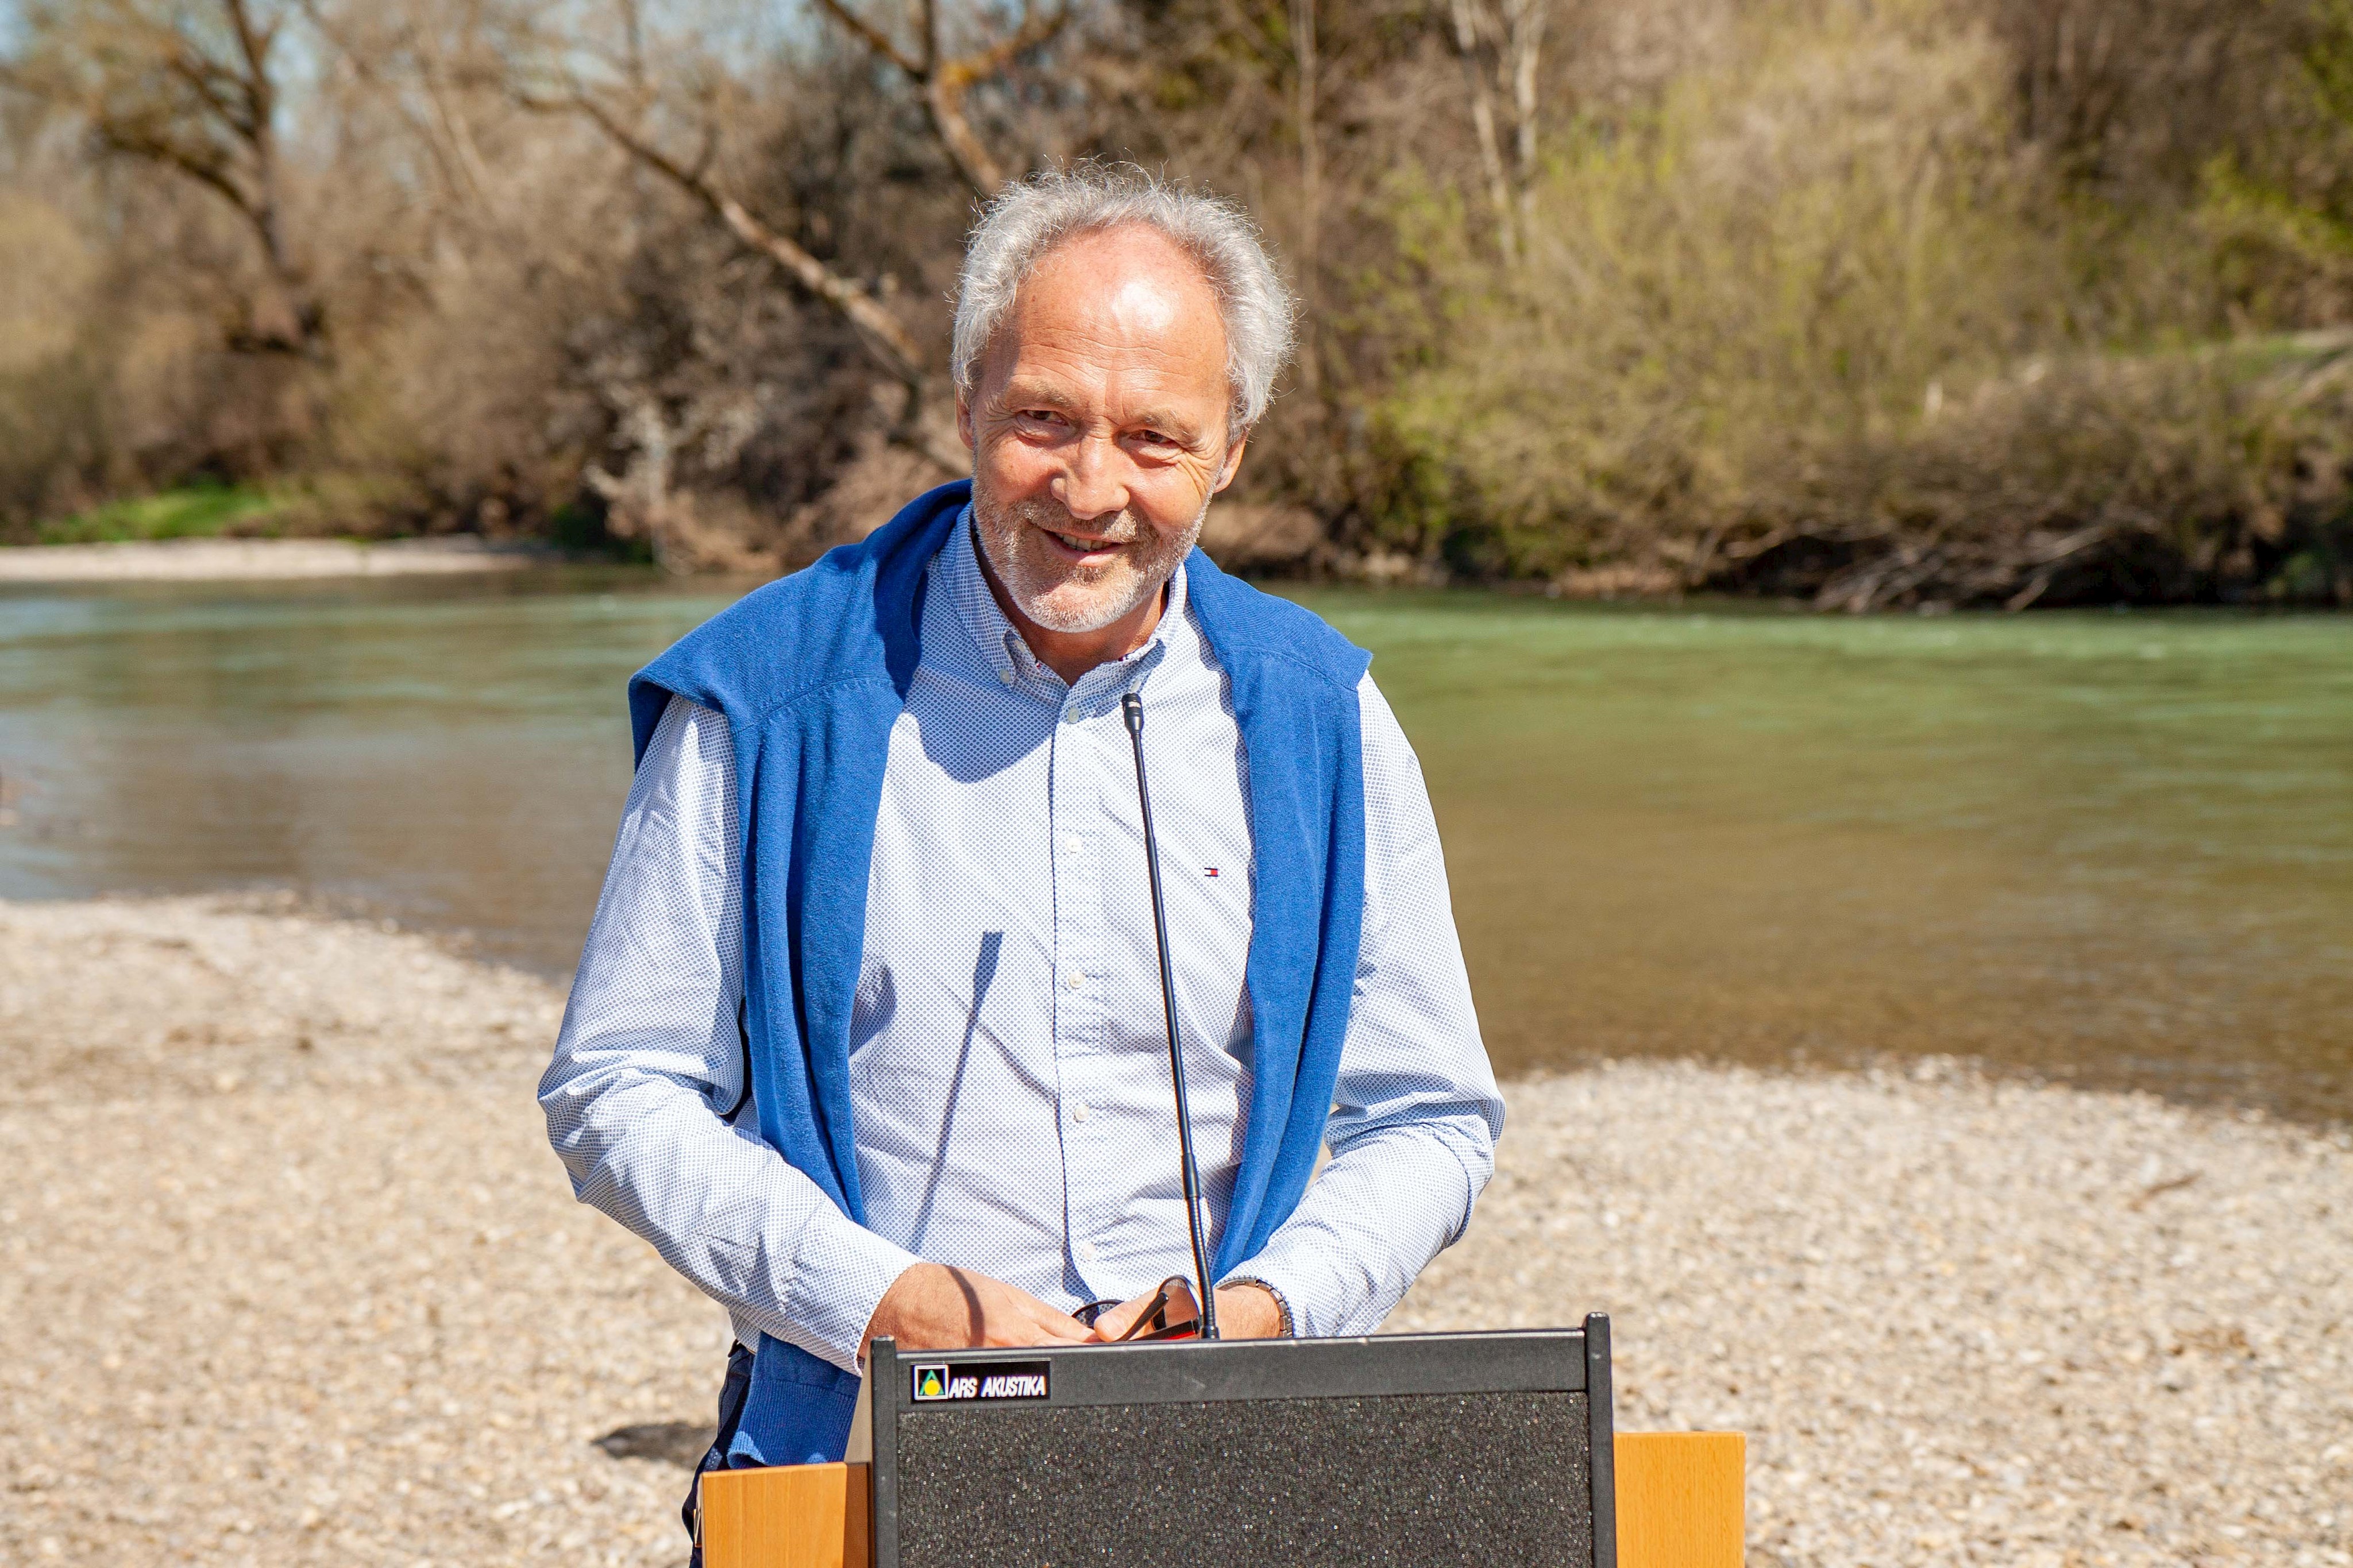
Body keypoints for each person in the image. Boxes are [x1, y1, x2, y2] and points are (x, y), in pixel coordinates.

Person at [538, 165, 1503, 1548]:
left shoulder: (1322, 714)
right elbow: (617, 1088)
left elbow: (1427, 1116)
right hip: (863, 1440)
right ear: (964, 407)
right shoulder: (763, 695)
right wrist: (881, 1301)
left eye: (1155, 439)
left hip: (1225, 1450)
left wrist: (1263, 1312)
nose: (1091, 487)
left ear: (1232, 449)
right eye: (1043, 419)